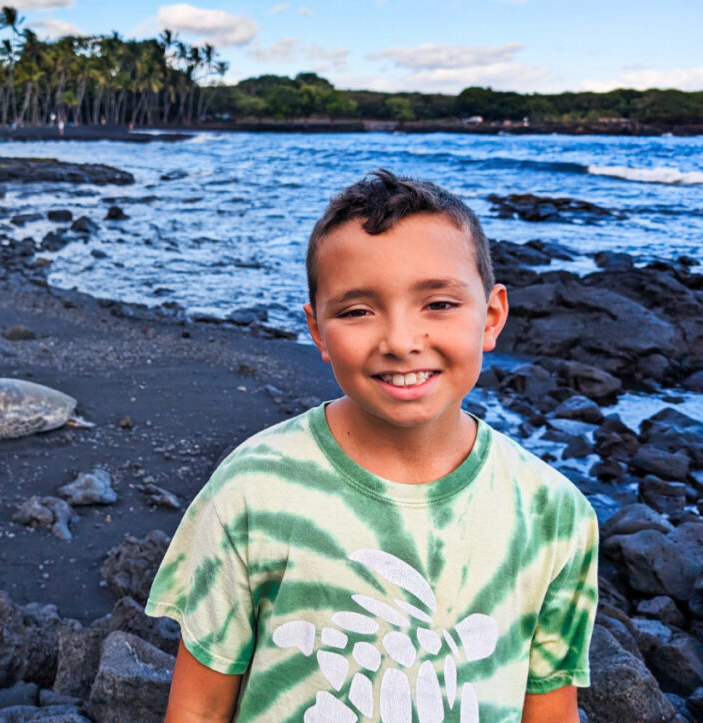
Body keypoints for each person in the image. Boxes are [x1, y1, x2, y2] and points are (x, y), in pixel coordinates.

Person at [146, 169, 598, 722]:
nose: (402, 342)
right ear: (317, 331)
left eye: (439, 304)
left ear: (492, 316)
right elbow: (199, 709)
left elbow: (550, 708)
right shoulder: (254, 488)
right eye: (358, 310)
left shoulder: (553, 512)